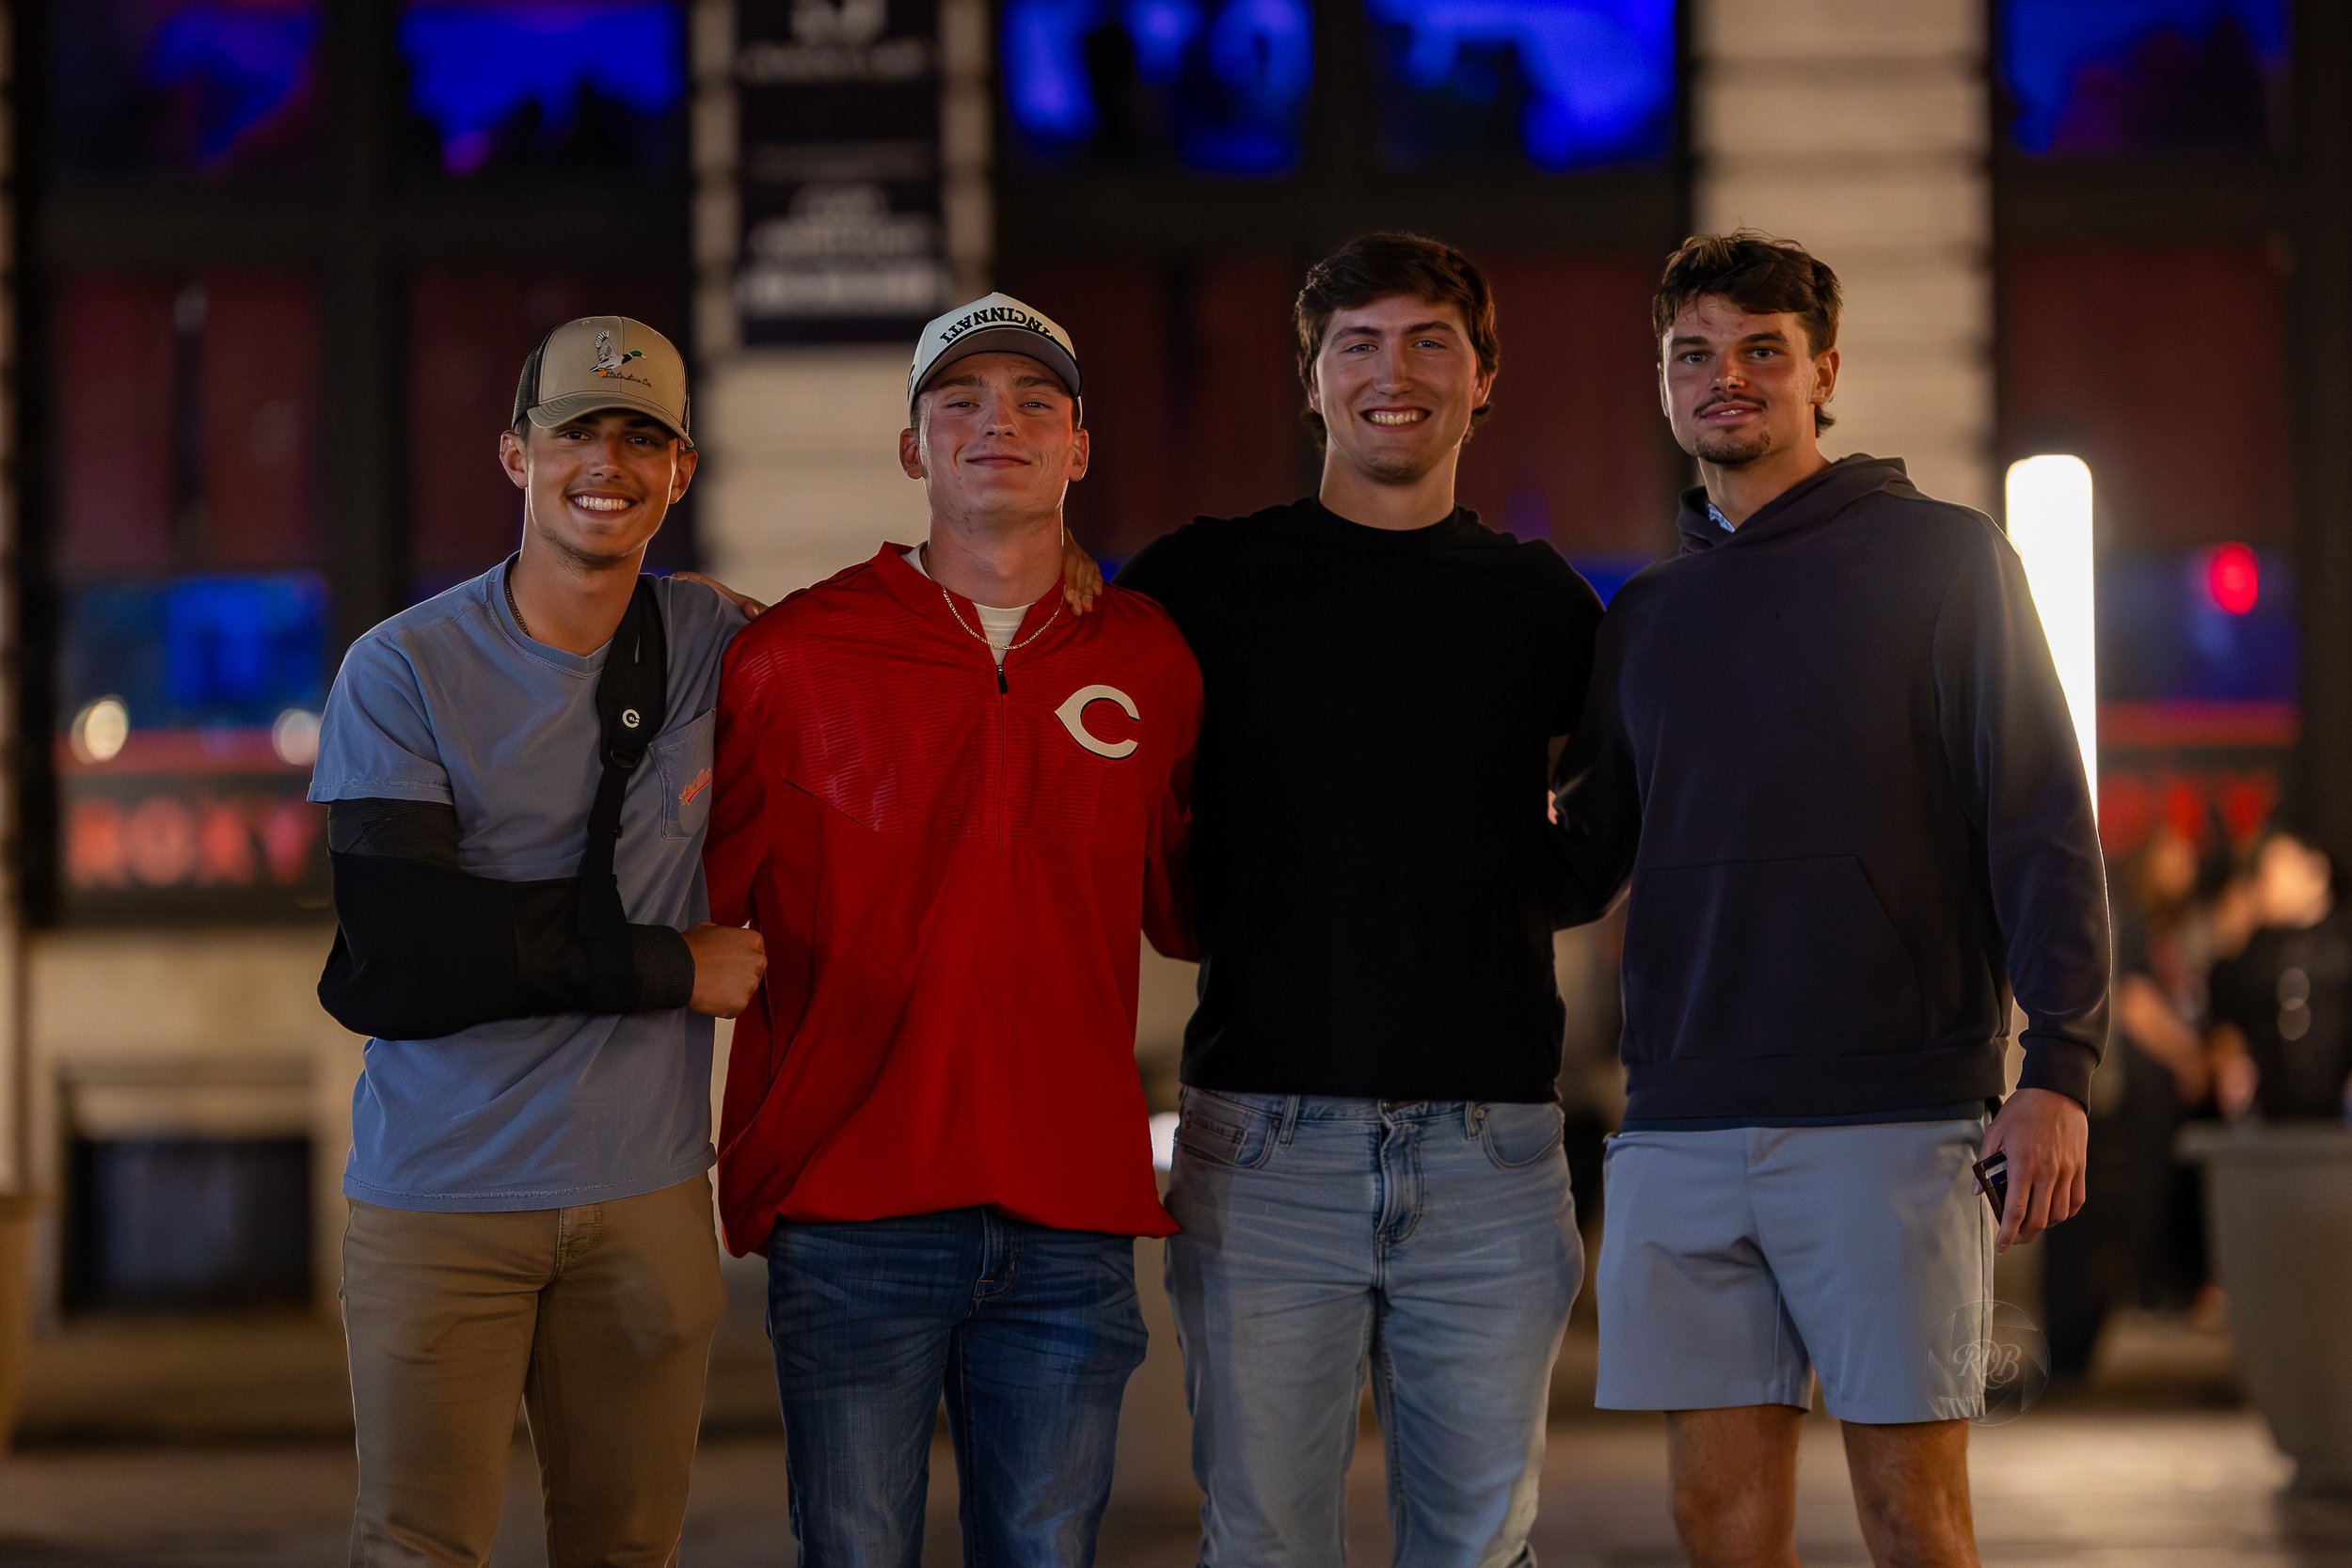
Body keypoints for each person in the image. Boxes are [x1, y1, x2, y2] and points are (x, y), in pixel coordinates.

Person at [1550, 232, 2109, 1568]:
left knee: (1914, 1517)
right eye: (1695, 353)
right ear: (1666, 381)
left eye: (1761, 350)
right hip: (1682, 1117)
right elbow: (1580, 865)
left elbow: (2040, 817)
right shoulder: (1650, 618)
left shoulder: (1945, 562)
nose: (1724, 377)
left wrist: (2063, 1065)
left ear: (1825, 374)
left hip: (1891, 1113)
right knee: (1714, 1519)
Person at [1116, 233, 1603, 1565]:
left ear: (1484, 377)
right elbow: (1050, 716)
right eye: (1359, 343)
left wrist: (1523, 886)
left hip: (1491, 1153)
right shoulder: (1198, 583)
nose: (1396, 372)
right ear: (1311, 381)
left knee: (1480, 1547)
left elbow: (1625, 799)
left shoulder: (1544, 605)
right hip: (1267, 1146)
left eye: (1431, 339)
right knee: (1265, 1540)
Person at [705, 293, 1201, 1564]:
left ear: (1080, 449)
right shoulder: (792, 659)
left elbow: (1194, 903)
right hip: (855, 1207)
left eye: (1037, 401)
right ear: (912, 449)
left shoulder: (1148, 659)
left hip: (1071, 1214)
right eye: (961, 403)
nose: (1001, 424)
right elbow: (689, 896)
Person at [310, 316, 761, 1566]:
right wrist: (675, 964)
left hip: (650, 1192)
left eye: (642, 438)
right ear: (517, 454)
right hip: (440, 1198)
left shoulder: (717, 643)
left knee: (627, 1548)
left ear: (681, 472)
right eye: (576, 433)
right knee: (417, 1544)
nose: (605, 464)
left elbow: (901, 676)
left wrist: (1043, 573)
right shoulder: (402, 668)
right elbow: (404, 952)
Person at [2210, 826, 2352, 1120]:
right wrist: (2235, 1062)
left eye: (2279, 866)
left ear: (2316, 873)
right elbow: (2230, 1022)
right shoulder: (2254, 949)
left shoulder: (2344, 940)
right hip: (2271, 1125)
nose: (2269, 879)